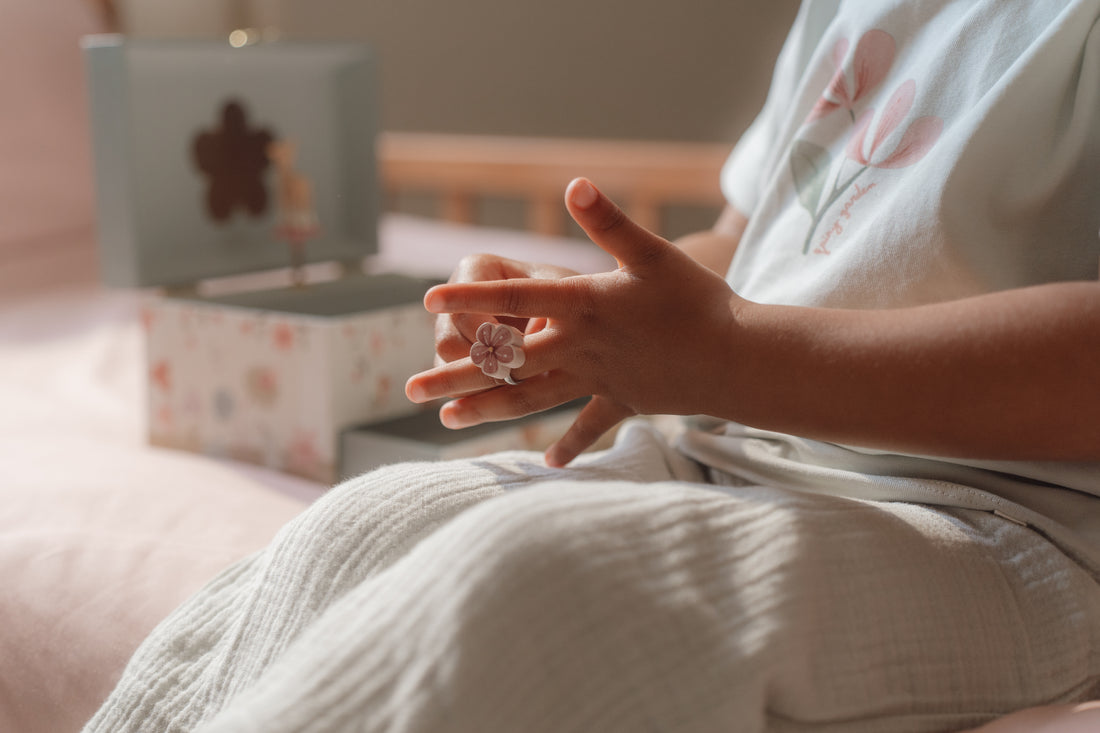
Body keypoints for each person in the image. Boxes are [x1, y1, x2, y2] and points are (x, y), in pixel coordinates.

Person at [85, 1, 1100, 731]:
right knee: (367, 523)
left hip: (1004, 521)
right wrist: (585, 317)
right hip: (730, 444)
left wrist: (728, 357)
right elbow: (743, 256)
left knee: (539, 581)